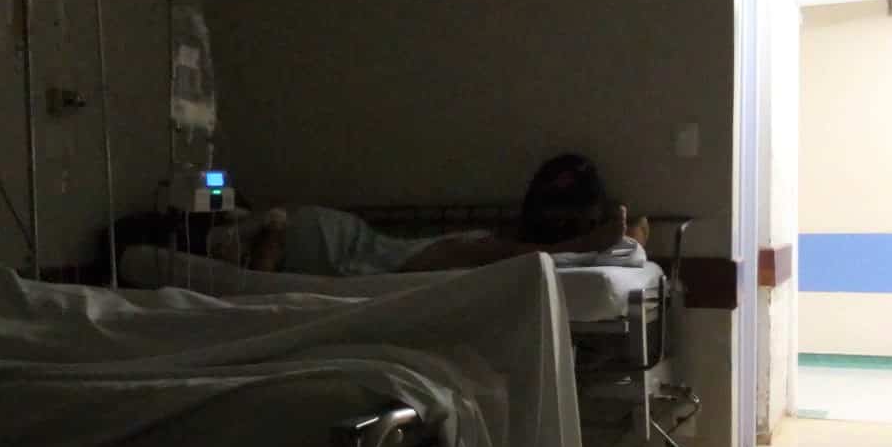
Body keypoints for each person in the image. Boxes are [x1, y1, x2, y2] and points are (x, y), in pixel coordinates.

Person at [225, 154, 649, 275]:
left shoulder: (247, 228)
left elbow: (262, 267)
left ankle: (590, 244)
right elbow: (259, 277)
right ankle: (592, 245)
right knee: (476, 251)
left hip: (356, 244)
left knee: (477, 249)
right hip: (356, 254)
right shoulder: (227, 247)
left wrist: (271, 229)